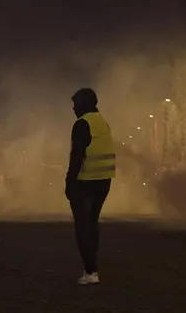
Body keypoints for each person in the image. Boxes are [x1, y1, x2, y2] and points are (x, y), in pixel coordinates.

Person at [65, 88, 116, 285]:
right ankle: (91, 268)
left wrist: (69, 182)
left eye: (76, 104)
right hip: (104, 181)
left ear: (85, 104)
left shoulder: (82, 124)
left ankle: (90, 270)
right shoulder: (103, 123)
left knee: (83, 226)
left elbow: (77, 156)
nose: (73, 109)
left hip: (85, 182)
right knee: (92, 223)